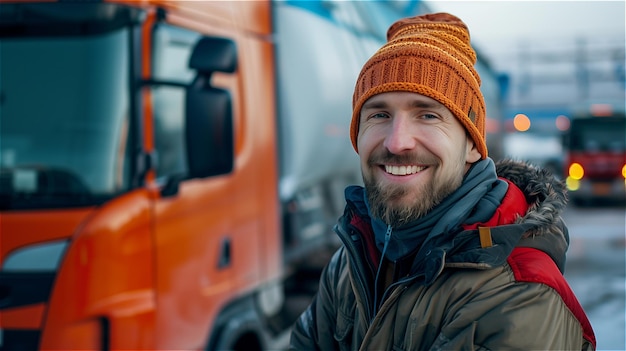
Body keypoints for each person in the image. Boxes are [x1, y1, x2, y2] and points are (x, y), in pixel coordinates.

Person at [290, 12, 596, 350]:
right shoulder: (352, 264)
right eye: (379, 114)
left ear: (471, 146)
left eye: (427, 115)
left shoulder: (518, 295)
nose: (396, 142)